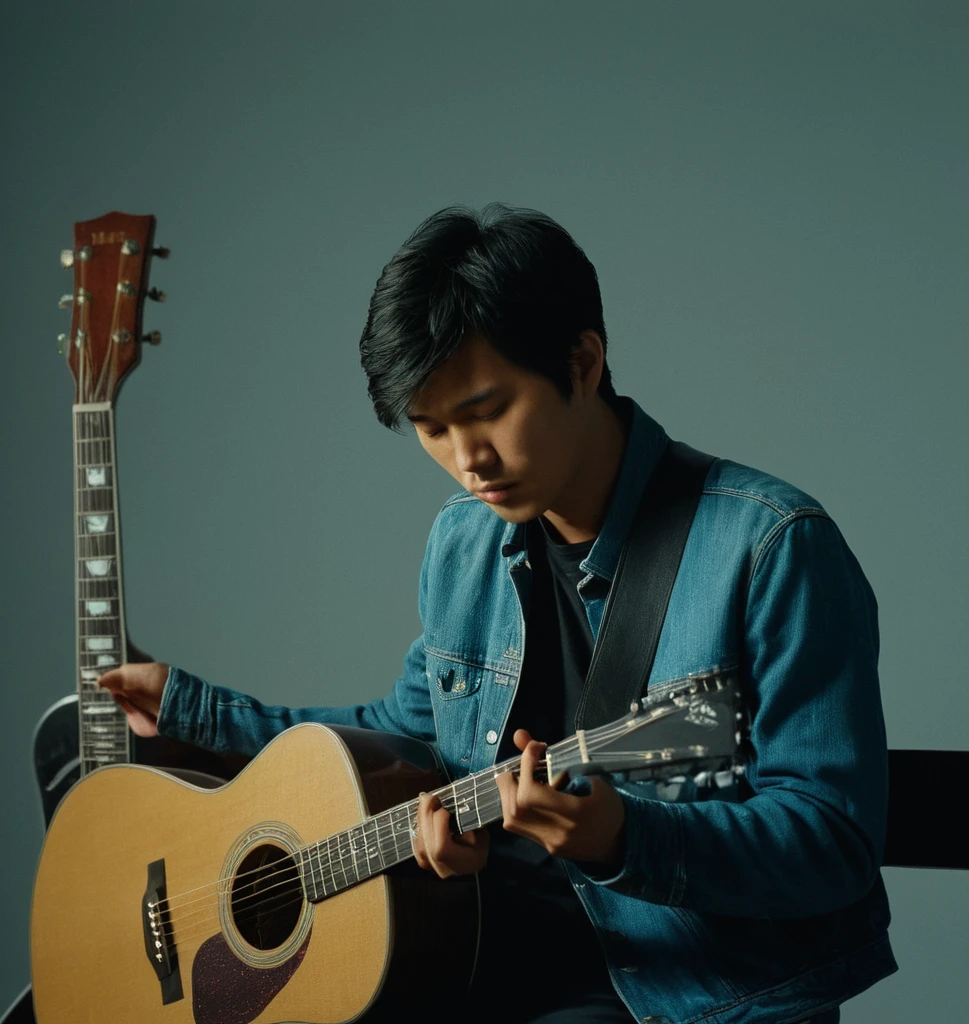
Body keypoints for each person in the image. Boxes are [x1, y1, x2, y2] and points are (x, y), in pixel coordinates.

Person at [99, 204, 897, 1024]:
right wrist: (198, 712)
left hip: (696, 996)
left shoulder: (770, 549)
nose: (468, 461)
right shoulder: (465, 544)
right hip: (482, 965)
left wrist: (622, 839)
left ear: (582, 362)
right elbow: (397, 735)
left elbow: (831, 842)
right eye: (433, 428)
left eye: (486, 412)